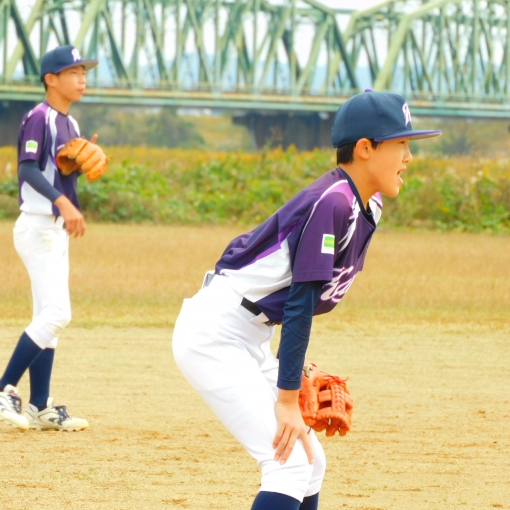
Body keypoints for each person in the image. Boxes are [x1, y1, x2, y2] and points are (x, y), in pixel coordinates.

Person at [172, 90, 441, 509]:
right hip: (216, 333)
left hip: (249, 332)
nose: (409, 156)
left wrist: (291, 374)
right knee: (288, 465)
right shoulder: (333, 202)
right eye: (401, 143)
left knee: (311, 462)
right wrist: (286, 398)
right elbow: (300, 303)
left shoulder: (365, 205)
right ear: (365, 148)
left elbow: (299, 300)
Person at [0, 45, 99, 431]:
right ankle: (1, 388)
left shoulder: (72, 124)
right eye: (73, 72)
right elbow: (28, 169)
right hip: (36, 225)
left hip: (55, 230)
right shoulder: (39, 117)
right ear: (51, 79)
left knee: (47, 315)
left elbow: (59, 172)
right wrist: (64, 203)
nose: (82, 79)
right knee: (57, 314)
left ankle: (39, 405)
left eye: (84, 72)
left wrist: (77, 169)